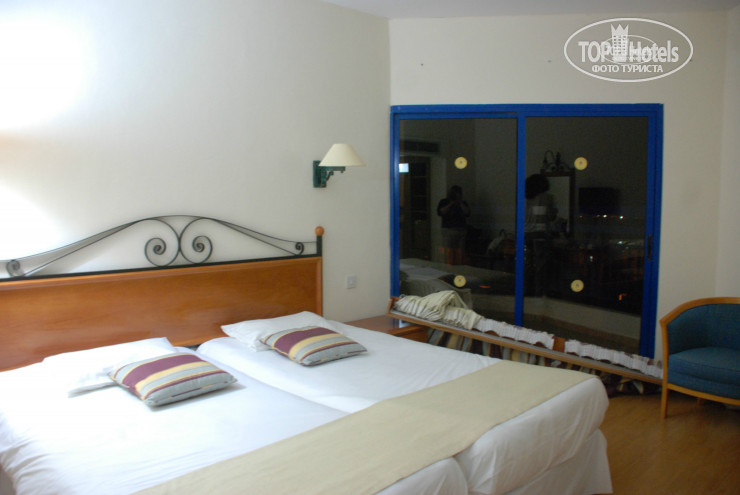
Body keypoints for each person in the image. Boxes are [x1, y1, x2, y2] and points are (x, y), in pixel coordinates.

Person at [437, 185, 470, 265]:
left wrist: (460, 202)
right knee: (449, 253)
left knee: (460, 253)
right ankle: (449, 267)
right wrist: (451, 204)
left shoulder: (462, 203)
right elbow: (440, 212)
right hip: (449, 230)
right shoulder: (444, 202)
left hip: (461, 230)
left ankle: (459, 266)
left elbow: (467, 212)